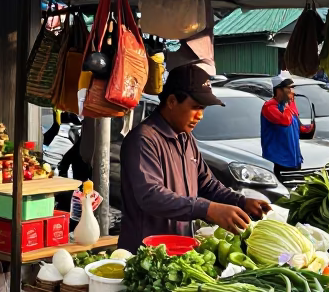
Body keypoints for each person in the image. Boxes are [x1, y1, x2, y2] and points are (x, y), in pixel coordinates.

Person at [118, 65, 270, 252]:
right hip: (145, 252)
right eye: (195, 107)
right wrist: (208, 209)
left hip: (179, 249)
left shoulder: (185, 138)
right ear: (172, 101)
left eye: (203, 109)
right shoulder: (143, 140)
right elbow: (151, 196)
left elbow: (207, 184)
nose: (200, 116)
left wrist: (241, 202)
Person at [261, 75, 304, 180]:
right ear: (279, 90)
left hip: (294, 160)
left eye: (292, 88)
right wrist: (286, 104)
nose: (292, 91)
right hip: (279, 161)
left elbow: (296, 126)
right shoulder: (269, 107)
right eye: (289, 88)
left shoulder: (289, 105)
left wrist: (308, 129)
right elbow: (285, 121)